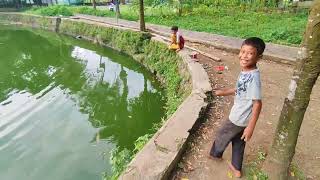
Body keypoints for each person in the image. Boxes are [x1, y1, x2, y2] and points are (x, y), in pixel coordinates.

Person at [209, 37, 266, 178]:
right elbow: (239, 89)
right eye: (242, 51)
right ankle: (236, 168)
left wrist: (251, 128)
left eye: (250, 53)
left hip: (238, 118)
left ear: (259, 57)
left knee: (222, 135)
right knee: (238, 143)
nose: (244, 56)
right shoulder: (246, 71)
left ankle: (215, 155)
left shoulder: (253, 78)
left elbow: (257, 103)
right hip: (243, 120)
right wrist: (223, 92)